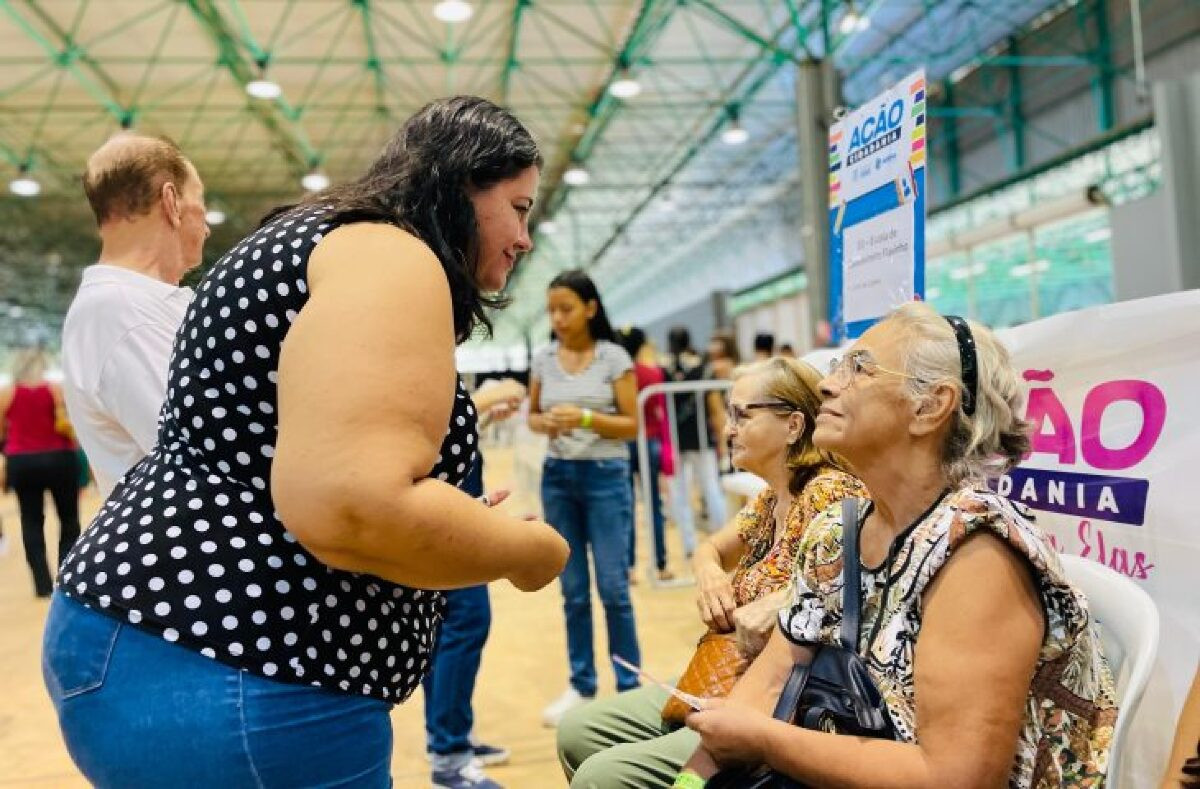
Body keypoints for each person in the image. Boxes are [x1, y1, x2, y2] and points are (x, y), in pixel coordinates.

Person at [42, 96, 569, 787]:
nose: (525, 236)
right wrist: (528, 553)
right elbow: (351, 506)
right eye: (520, 207)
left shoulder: (322, 240)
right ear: (463, 181)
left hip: (159, 641)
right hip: (233, 664)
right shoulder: (392, 254)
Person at [678, 303, 1116, 788]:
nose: (827, 384)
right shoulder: (835, 531)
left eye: (859, 367)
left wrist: (764, 741)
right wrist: (690, 784)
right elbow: (770, 678)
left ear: (930, 407)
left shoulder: (978, 552)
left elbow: (954, 779)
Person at [558, 357, 866, 786]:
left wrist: (783, 600)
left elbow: (857, 577)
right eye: (729, 415)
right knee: (577, 732)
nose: (727, 429)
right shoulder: (771, 499)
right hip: (730, 673)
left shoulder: (830, 492)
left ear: (794, 426)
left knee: (602, 775)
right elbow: (711, 547)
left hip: (784, 694)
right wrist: (709, 573)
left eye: (742, 415)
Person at [60, 132, 207, 497]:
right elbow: (203, 448)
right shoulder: (120, 311)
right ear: (171, 202)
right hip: (184, 542)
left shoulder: (136, 303)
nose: (207, 226)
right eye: (201, 202)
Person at [530, 269, 641, 727]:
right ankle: (581, 683)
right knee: (572, 591)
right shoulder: (542, 359)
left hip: (605, 478)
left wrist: (587, 419)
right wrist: (549, 424)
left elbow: (632, 425)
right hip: (558, 478)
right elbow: (532, 417)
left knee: (613, 589)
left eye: (566, 308)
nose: (557, 318)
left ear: (591, 308)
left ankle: (630, 686)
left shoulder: (614, 358)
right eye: (551, 310)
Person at [424, 377, 526, 789]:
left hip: (458, 502)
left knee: (446, 627)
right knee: (465, 622)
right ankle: (448, 752)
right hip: (448, 513)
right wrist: (480, 401)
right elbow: (429, 420)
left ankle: (450, 737)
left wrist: (477, 414)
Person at [0, 349, 81, 597]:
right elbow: (71, 421)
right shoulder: (56, 389)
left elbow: (2, 432)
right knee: (68, 519)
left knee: (31, 521)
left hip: (23, 462)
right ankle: (68, 579)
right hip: (60, 458)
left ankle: (42, 586)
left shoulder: (7, 393)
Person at [616, 326, 671, 581]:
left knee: (625, 505)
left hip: (624, 442)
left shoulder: (617, 375)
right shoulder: (652, 373)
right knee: (653, 505)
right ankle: (660, 564)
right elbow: (660, 413)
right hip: (649, 441)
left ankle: (629, 567)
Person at [665, 326, 726, 555]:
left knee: (680, 494)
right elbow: (715, 407)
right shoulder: (702, 368)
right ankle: (720, 539)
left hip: (676, 440)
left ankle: (689, 545)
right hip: (702, 439)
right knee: (711, 487)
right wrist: (722, 437)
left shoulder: (665, 370)